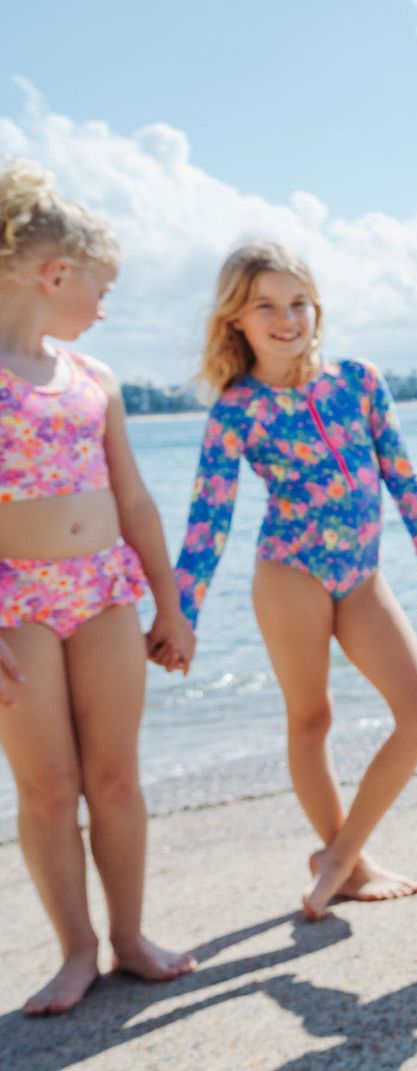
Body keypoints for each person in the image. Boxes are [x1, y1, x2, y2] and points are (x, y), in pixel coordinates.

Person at [174, 242, 417, 919]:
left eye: (297, 301)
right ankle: (347, 863)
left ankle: (338, 856)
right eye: (265, 304)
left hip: (362, 575)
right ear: (236, 318)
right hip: (289, 571)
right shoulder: (236, 406)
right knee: (311, 716)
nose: (286, 317)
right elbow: (209, 518)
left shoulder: (357, 380)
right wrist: (182, 613)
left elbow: (401, 474)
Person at [0, 159, 196, 1015]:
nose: (104, 308)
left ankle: (128, 935)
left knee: (115, 777)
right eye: (101, 288)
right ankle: (75, 950)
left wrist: (171, 601)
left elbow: (135, 499)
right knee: (47, 786)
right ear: (55, 275)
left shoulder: (96, 379)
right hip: (15, 600)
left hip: (107, 590)